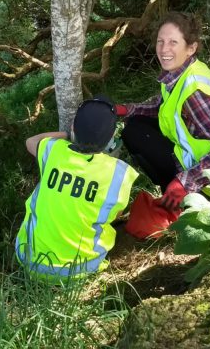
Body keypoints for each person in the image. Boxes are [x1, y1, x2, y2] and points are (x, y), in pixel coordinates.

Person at [114, 11, 210, 212]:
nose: (164, 49)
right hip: (194, 158)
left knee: (136, 134)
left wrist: (185, 182)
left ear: (191, 48)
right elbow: (161, 106)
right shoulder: (179, 73)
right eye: (160, 41)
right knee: (135, 124)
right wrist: (125, 110)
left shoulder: (196, 92)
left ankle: (178, 198)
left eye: (173, 42)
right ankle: (174, 190)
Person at [15, 97, 138, 281]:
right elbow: (117, 213)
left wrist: (65, 135)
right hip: (80, 269)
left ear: (73, 128)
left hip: (29, 260)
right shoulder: (119, 173)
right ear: (112, 136)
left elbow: (31, 141)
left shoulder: (54, 150)